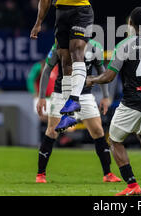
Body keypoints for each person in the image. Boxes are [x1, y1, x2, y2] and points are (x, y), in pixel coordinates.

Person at [86, 7, 141, 196]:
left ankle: (133, 186)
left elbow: (109, 76)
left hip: (133, 102)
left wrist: (91, 80)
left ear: (130, 24)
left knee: (114, 140)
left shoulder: (125, 45)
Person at [30, 0, 96, 132]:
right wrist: (39, 22)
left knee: (78, 50)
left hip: (81, 10)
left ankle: (74, 100)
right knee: (65, 61)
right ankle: (71, 114)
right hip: (61, 14)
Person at [35, 40, 121, 184]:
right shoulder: (59, 44)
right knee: (52, 132)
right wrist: (42, 96)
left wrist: (106, 96)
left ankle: (108, 174)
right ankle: (40, 174)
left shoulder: (95, 47)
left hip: (85, 95)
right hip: (61, 94)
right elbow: (47, 70)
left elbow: (101, 71)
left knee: (98, 132)